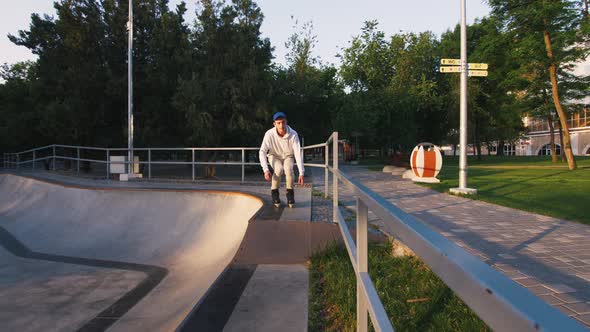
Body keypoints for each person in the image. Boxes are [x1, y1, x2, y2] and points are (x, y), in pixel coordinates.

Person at [259, 112, 304, 208]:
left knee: (288, 169)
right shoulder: (269, 134)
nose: (281, 125)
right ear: (274, 124)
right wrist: (265, 170)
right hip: (274, 156)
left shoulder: (293, 134)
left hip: (288, 156)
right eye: (278, 123)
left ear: (286, 122)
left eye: (283, 122)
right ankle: (274, 192)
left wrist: (301, 172)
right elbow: (262, 151)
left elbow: (297, 153)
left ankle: (290, 194)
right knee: (278, 169)